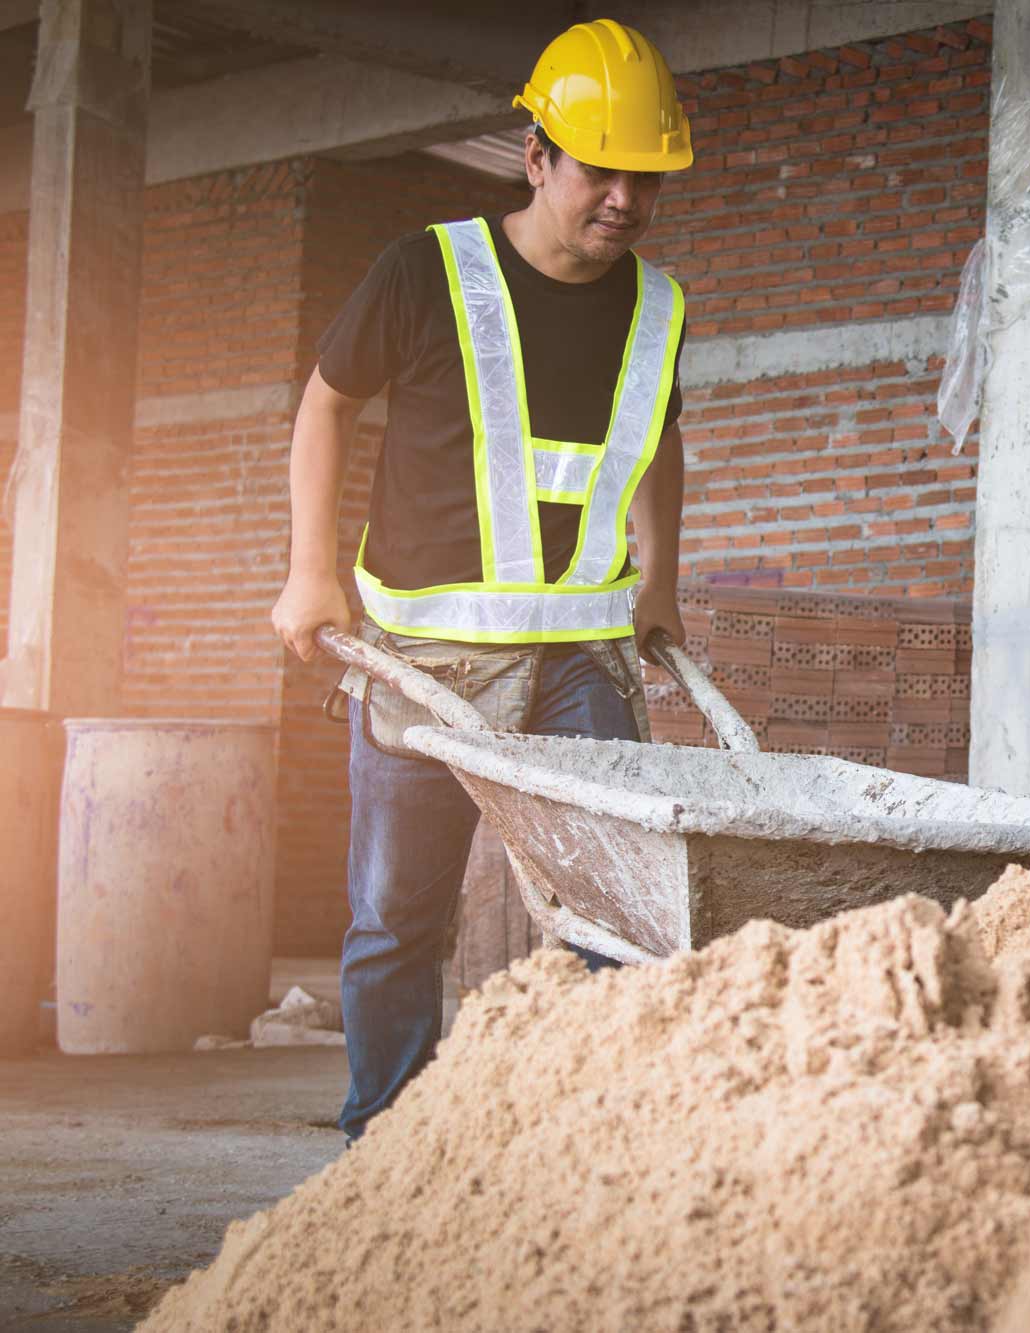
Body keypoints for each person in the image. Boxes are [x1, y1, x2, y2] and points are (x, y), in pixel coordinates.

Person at [268, 18, 695, 1140]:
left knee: (616, 909)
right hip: (428, 659)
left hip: (583, 660)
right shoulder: (425, 269)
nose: (623, 198)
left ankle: (588, 1137)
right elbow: (324, 403)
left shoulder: (657, 307)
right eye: (599, 167)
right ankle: (388, 1142)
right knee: (396, 915)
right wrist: (311, 568)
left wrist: (660, 582)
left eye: (644, 177)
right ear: (537, 155)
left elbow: (653, 442)